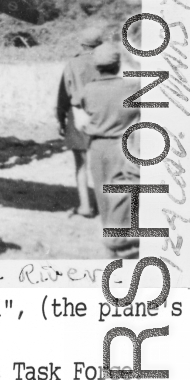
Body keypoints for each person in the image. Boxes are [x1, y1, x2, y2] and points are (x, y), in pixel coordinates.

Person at [79, 44, 140, 259]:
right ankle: (127, 250)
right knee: (125, 199)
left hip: (97, 148)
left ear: (97, 66)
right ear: (117, 64)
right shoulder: (132, 88)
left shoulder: (89, 89)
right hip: (124, 147)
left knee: (103, 199)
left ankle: (110, 254)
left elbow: (83, 116)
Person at [57, 26, 103, 218]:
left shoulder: (72, 64)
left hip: (78, 115)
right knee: (101, 164)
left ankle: (85, 206)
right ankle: (105, 207)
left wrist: (60, 119)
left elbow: (63, 96)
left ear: (82, 44)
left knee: (81, 164)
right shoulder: (106, 63)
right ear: (99, 45)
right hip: (101, 115)